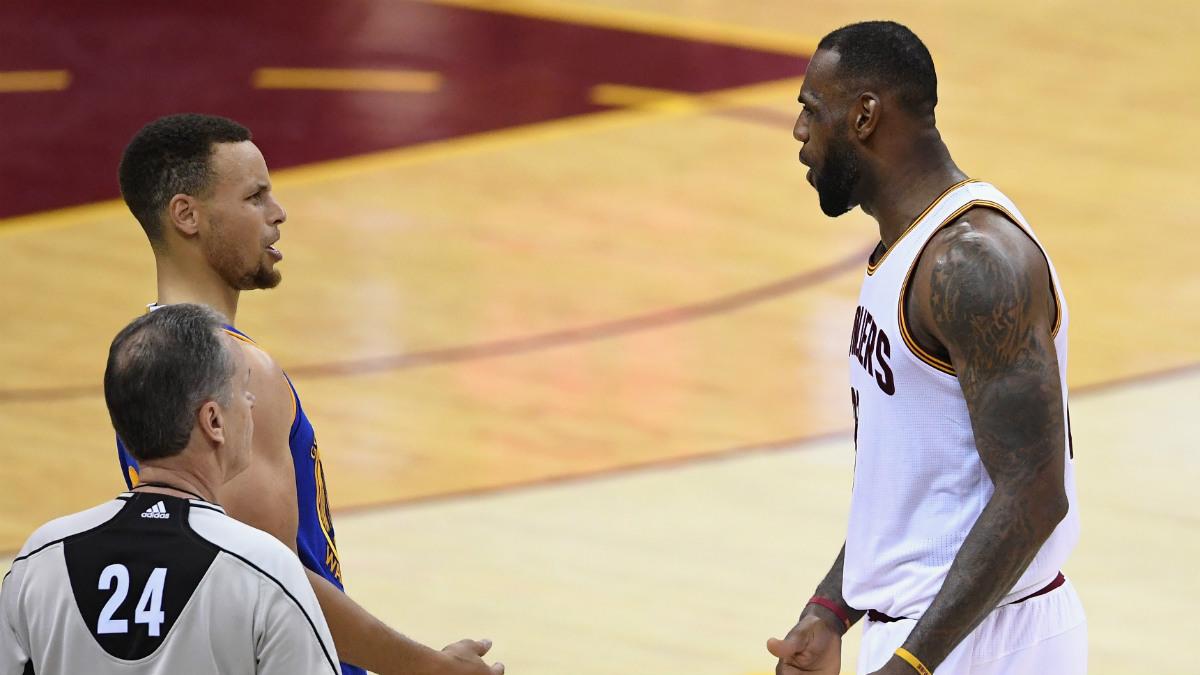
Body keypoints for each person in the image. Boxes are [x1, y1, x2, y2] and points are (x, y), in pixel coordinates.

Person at [114, 113, 502, 675]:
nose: (278, 214)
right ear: (186, 215)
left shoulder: (140, 358)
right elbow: (273, 581)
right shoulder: (237, 370)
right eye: (254, 196)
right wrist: (429, 668)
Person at [766, 21, 1086, 675]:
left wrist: (912, 664)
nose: (800, 133)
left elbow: (1035, 490)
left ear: (863, 116)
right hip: (937, 632)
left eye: (811, 110)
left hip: (986, 637)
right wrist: (832, 609)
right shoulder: (903, 250)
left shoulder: (972, 263)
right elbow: (915, 484)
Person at [1, 303, 341, 675]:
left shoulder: (39, 562)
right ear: (213, 421)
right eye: (243, 388)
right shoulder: (264, 570)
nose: (251, 401)